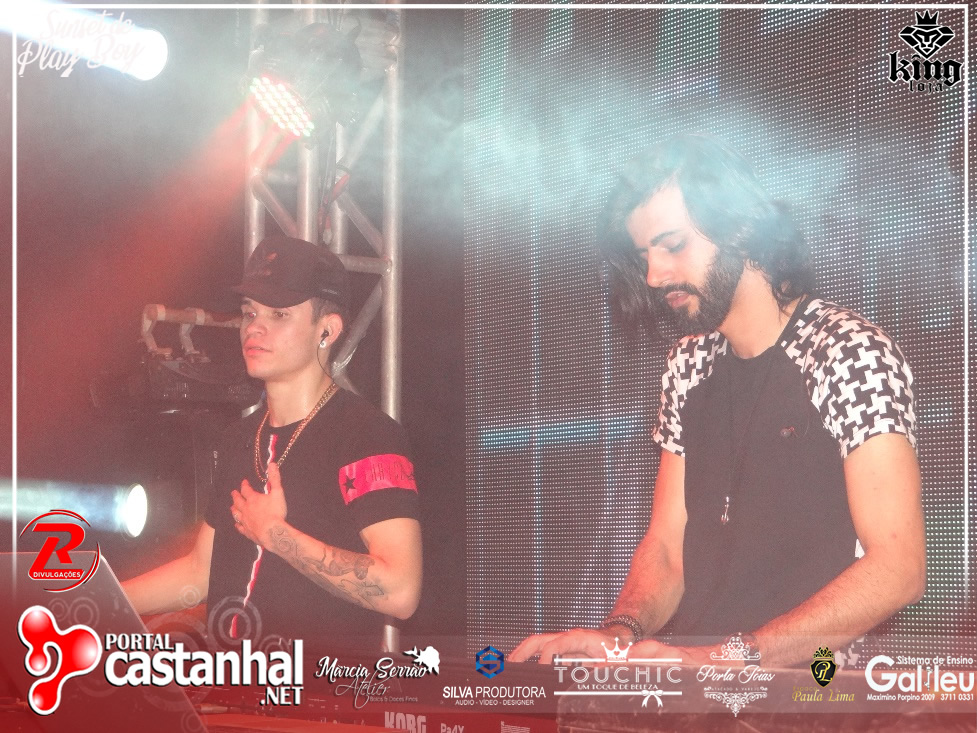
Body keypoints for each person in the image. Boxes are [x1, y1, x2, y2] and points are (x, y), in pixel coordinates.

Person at [511, 134, 925, 668]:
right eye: (644, 256)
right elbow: (668, 547)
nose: (654, 276)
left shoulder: (847, 353)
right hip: (702, 684)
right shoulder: (689, 364)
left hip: (812, 689)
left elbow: (899, 568)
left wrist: (731, 658)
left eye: (673, 245)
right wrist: (619, 635)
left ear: (739, 229)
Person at [124, 235, 422, 649]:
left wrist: (277, 535)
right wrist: (90, 598)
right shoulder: (238, 439)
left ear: (327, 330)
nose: (255, 327)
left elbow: (401, 591)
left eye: (279, 314)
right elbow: (200, 572)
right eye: (250, 313)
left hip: (320, 686)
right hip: (232, 679)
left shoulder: (367, 435)